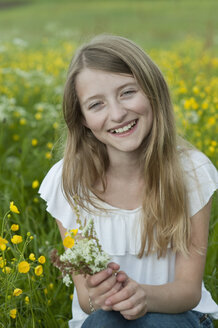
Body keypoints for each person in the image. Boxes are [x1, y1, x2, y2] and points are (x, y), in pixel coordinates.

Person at [39, 35, 218, 328]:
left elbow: (188, 290)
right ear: (82, 118)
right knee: (104, 322)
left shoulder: (190, 172)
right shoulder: (68, 181)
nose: (118, 113)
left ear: (152, 91)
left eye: (127, 92)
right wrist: (102, 296)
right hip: (104, 319)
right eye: (96, 105)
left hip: (178, 316)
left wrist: (143, 296)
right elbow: (87, 300)